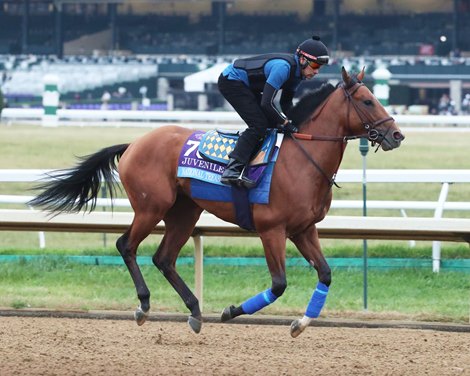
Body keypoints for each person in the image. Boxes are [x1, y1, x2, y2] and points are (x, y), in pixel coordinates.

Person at [218, 35, 329, 187]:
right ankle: (232, 170)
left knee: (272, 124)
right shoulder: (283, 68)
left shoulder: (298, 75)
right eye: (315, 66)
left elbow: (286, 103)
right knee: (258, 125)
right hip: (231, 81)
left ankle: (254, 165)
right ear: (303, 59)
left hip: (248, 86)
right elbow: (266, 103)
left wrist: (296, 123)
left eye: (319, 68)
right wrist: (284, 122)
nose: (317, 72)